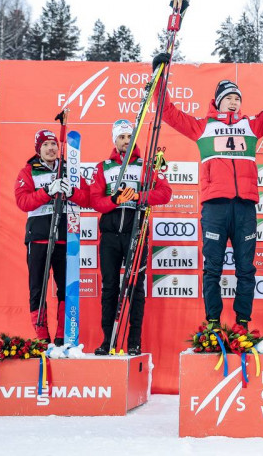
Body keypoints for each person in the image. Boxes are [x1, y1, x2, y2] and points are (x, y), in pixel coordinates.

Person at [152, 41, 263, 329]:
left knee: (246, 269)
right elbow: (168, 112)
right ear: (218, 100)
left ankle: (242, 324)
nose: (234, 102)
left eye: (237, 98)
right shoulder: (202, 126)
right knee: (213, 269)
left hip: (245, 206)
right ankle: (212, 323)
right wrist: (160, 77)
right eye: (229, 97)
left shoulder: (251, 125)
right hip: (215, 207)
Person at [89, 119, 172, 355]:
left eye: (129, 137)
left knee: (136, 287)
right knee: (110, 288)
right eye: (121, 137)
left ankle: (134, 341)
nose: (126, 141)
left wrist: (139, 196)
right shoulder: (103, 167)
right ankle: (108, 340)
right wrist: (113, 200)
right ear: (114, 140)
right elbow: (95, 200)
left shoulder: (146, 165)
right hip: (110, 236)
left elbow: (165, 193)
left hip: (137, 232)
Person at [14, 128, 89, 345]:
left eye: (54, 144)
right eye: (45, 145)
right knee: (38, 287)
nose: (51, 148)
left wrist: (72, 192)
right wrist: (48, 191)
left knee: (66, 287)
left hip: (65, 237)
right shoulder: (28, 171)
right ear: (38, 149)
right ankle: (41, 338)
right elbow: (23, 202)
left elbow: (87, 198)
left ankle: (62, 336)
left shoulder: (69, 170)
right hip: (39, 237)